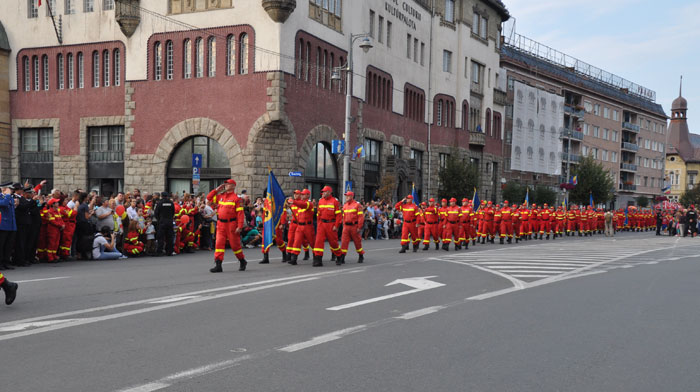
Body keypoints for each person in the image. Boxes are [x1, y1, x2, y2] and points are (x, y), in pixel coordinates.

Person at [207, 179, 247, 272]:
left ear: (233, 186)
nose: (226, 185)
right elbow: (209, 198)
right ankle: (218, 265)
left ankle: (242, 260)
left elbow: (240, 213)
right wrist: (216, 190)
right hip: (221, 224)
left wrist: (240, 226)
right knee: (218, 244)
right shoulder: (220, 196)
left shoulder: (237, 198)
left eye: (228, 184)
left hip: (231, 224)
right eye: (225, 184)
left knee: (235, 245)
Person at [312, 185, 342, 267]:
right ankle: (318, 260)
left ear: (329, 192)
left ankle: (339, 255)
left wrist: (336, 225)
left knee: (333, 243)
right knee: (318, 242)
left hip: (331, 224)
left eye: (324, 191)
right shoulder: (321, 201)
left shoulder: (334, 202)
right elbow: (318, 214)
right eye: (322, 192)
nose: (323, 193)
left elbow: (339, 216)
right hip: (322, 224)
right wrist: (319, 225)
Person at [339, 191, 365, 265]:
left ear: (352, 196)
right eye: (346, 196)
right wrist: (343, 225)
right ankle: (342, 257)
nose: (346, 197)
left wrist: (359, 227)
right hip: (346, 227)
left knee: (357, 242)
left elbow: (360, 217)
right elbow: (343, 216)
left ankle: (361, 255)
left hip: (354, 226)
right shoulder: (345, 205)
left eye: (348, 196)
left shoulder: (357, 205)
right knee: (344, 242)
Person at [0, 182, 18, 270]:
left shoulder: (10, 197)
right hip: (3, 225)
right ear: (4, 189)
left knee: (9, 245)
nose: (11, 191)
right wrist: (7, 195)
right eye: (10, 189)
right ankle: (0, 263)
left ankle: (6, 262)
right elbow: (3, 204)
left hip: (11, 225)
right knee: (1, 245)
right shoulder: (3, 197)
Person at [154, 192, 175, 257]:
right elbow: (173, 212)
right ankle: (169, 251)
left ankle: (159, 252)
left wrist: (159, 219)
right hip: (169, 222)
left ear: (161, 196)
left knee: (161, 237)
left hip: (162, 222)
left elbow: (156, 213)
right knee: (170, 237)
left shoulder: (160, 203)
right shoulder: (171, 203)